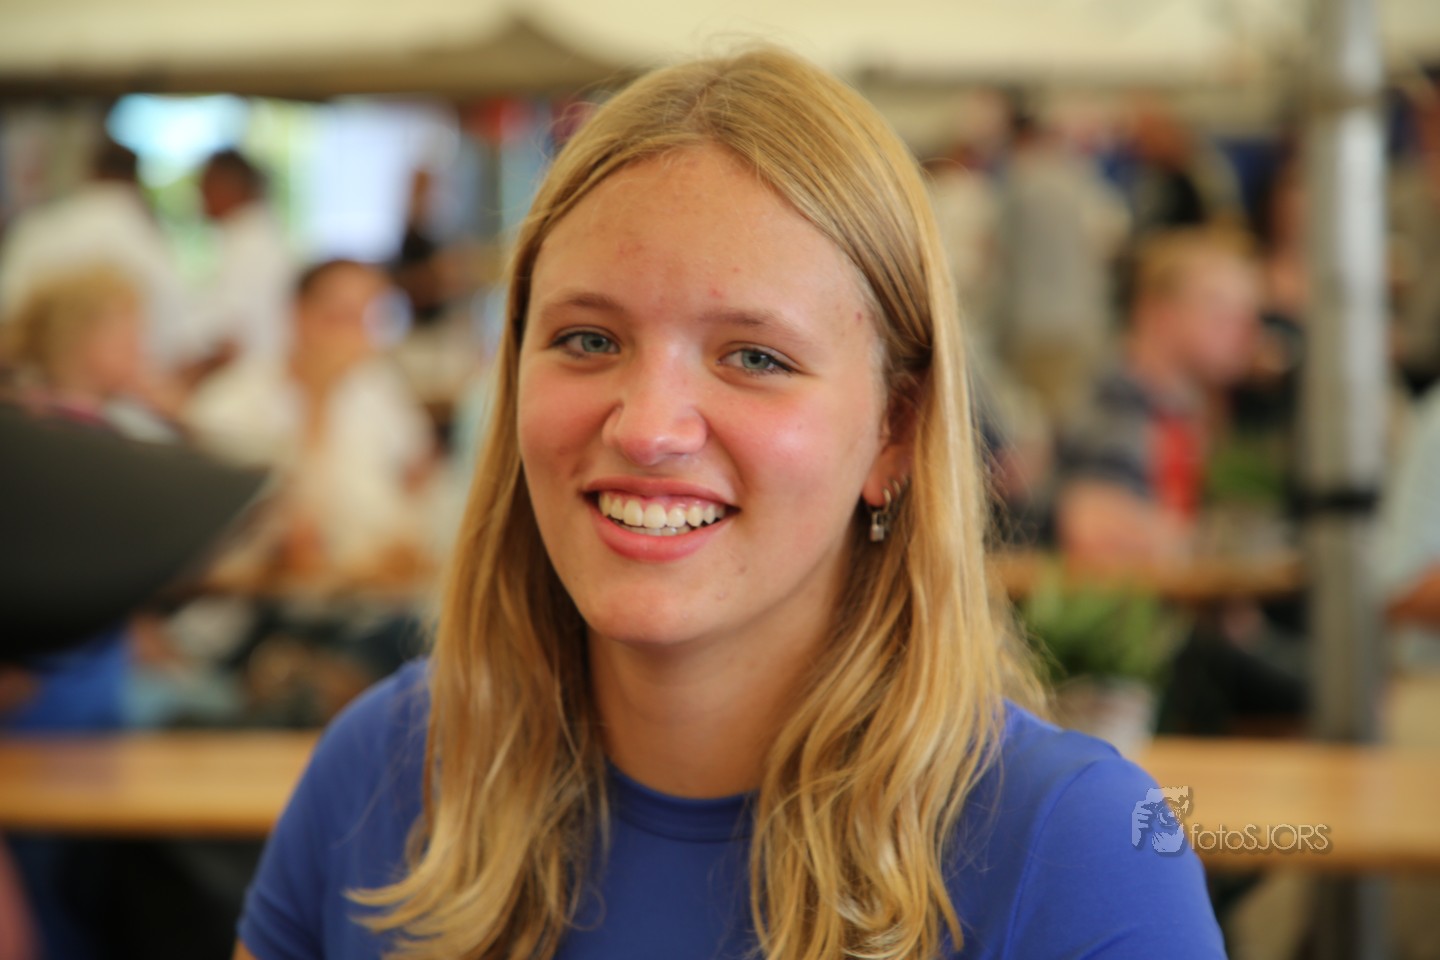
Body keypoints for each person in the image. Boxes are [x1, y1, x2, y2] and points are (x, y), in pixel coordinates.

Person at [235, 48, 1224, 960]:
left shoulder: (1077, 854)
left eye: (754, 356)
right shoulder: (384, 771)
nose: (648, 428)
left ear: (896, 430)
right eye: (588, 340)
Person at [186, 258, 435, 579]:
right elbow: (280, 543)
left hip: (379, 584)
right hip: (280, 595)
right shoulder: (230, 403)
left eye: (371, 320)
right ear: (298, 315)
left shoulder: (377, 387)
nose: (359, 337)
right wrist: (318, 403)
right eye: (342, 318)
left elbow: (419, 471)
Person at [1054, 228, 1261, 562]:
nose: (1245, 332)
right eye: (1220, 312)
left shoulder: (1182, 410)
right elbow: (1091, 529)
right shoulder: (1117, 412)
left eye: (1248, 314)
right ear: (1158, 314)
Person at [0, 139, 190, 372]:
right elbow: (176, 333)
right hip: (123, 385)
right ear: (135, 178)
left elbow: (8, 309)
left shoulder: (38, 226)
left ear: (90, 172)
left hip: (33, 375)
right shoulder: (147, 237)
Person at [193, 148, 295, 371]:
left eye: (204, 186)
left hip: (249, 375)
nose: (198, 196)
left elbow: (228, 335)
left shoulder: (251, 246)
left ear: (228, 186)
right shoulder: (250, 239)